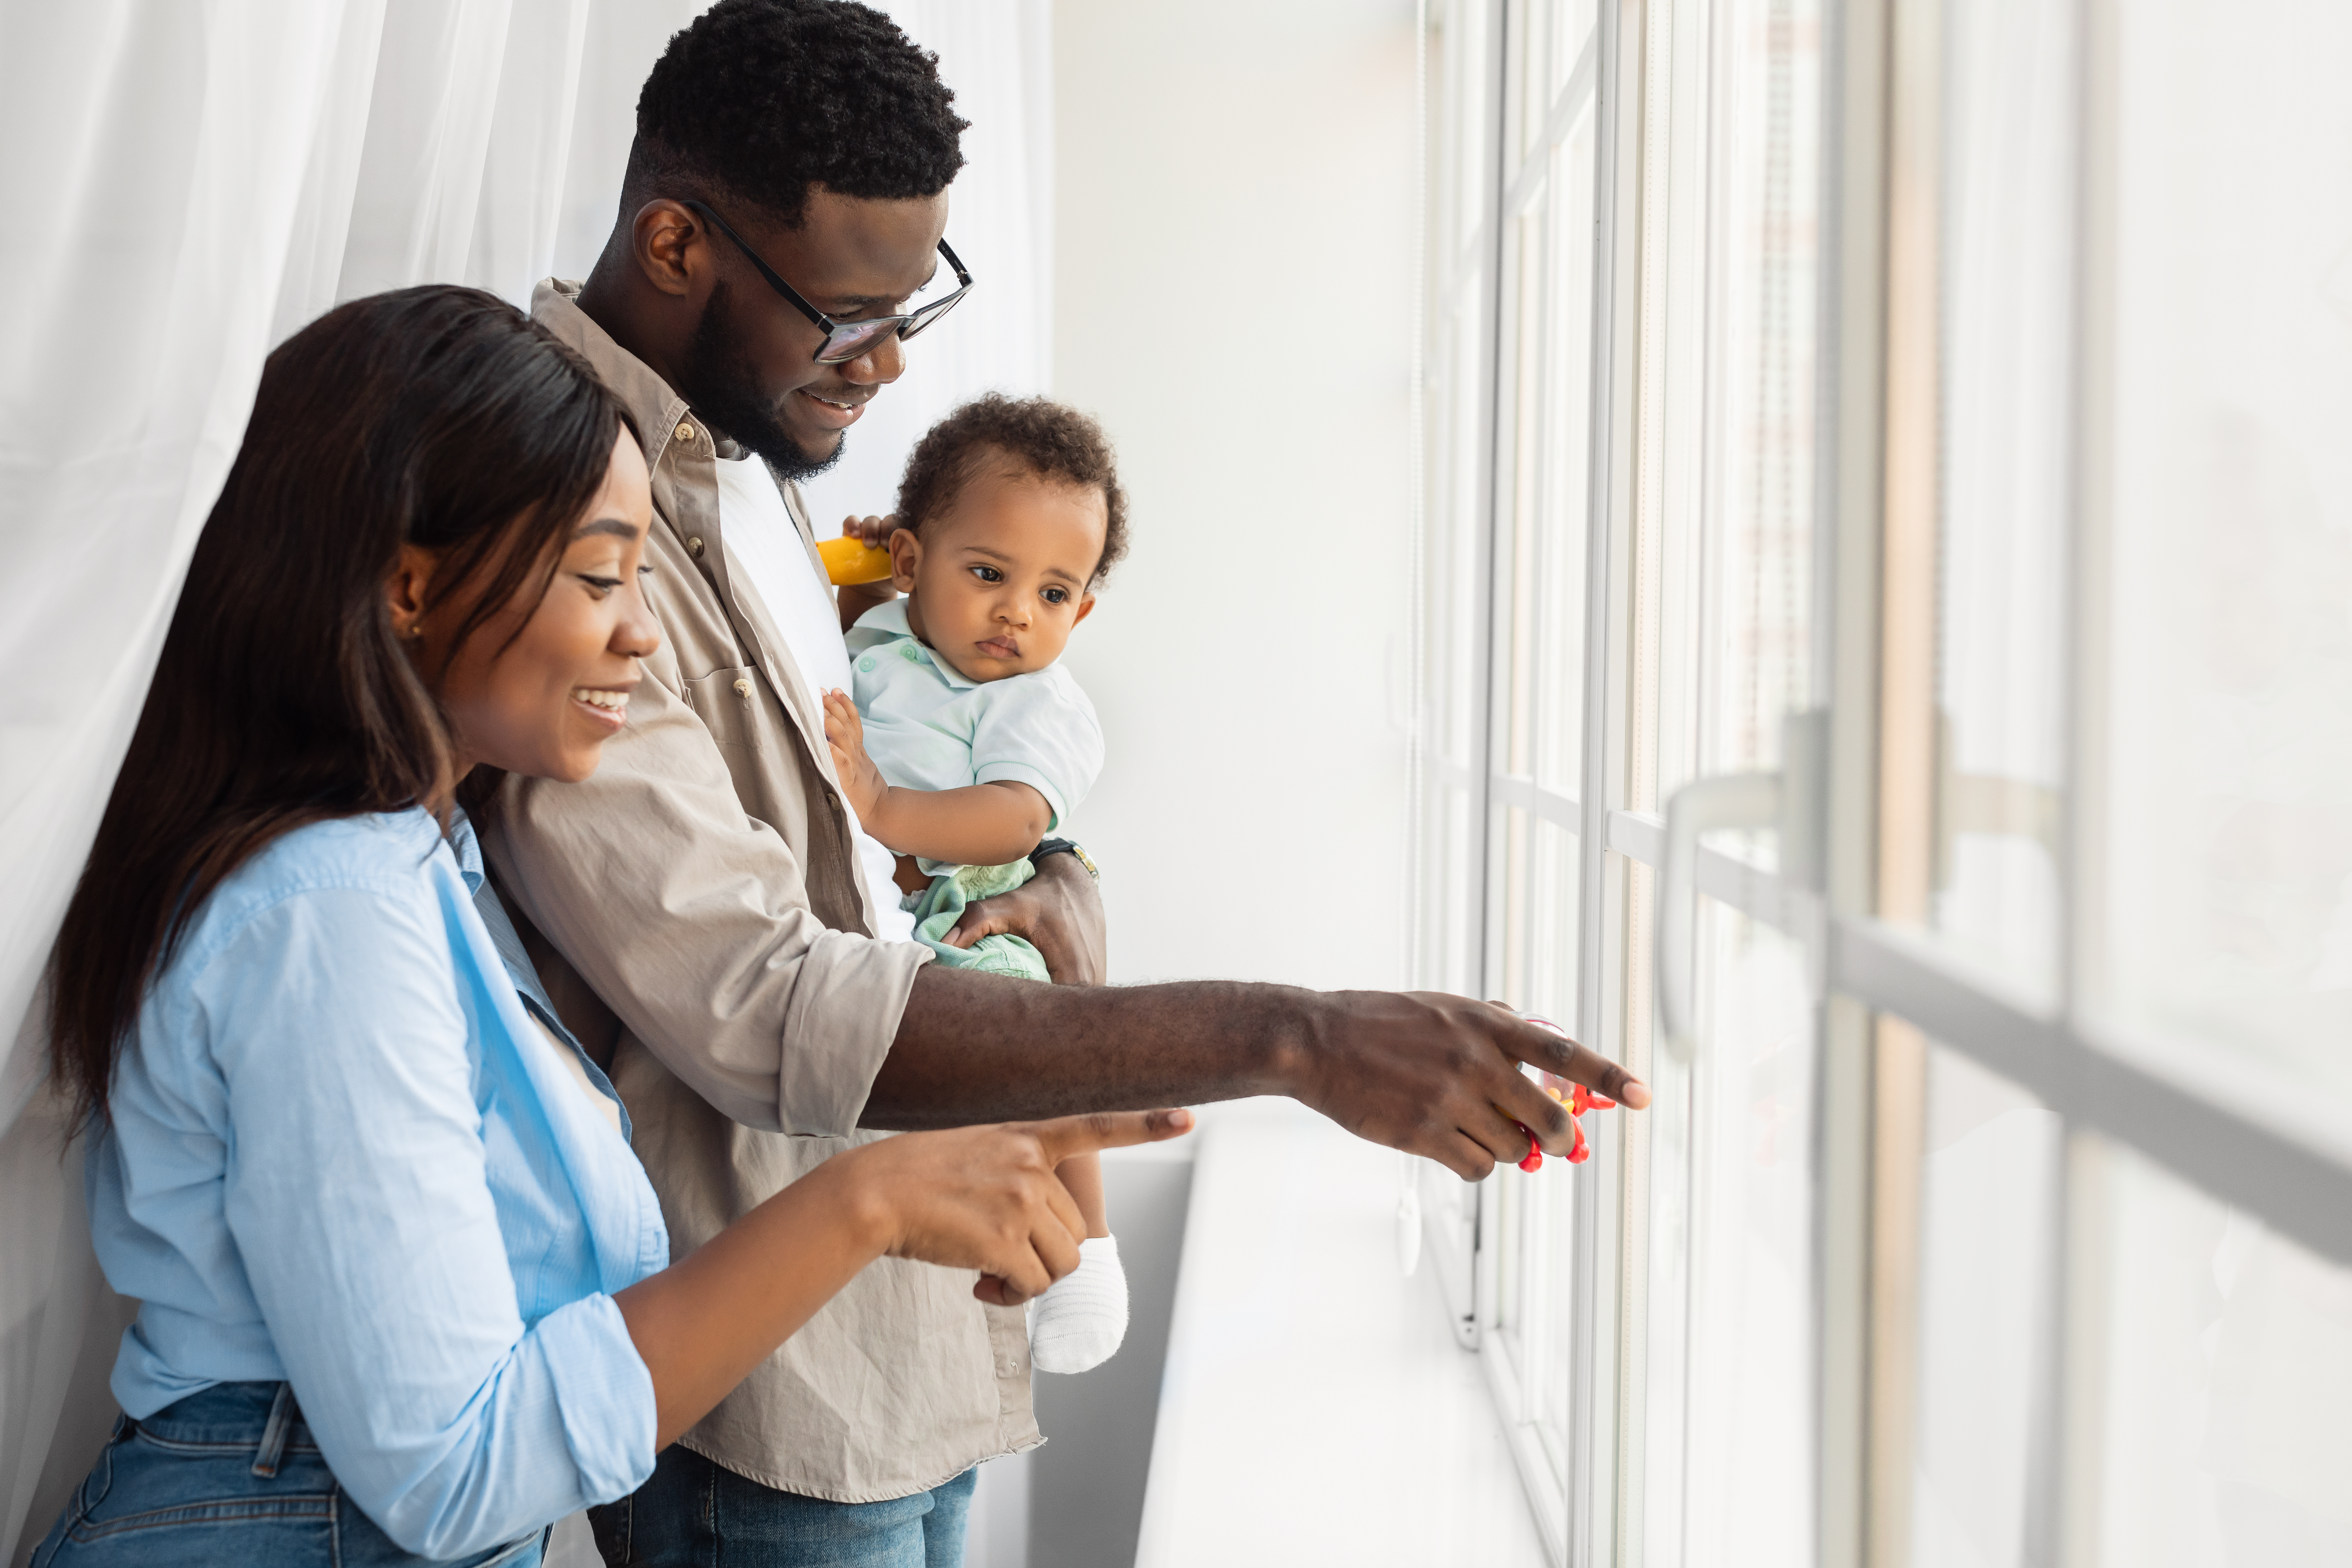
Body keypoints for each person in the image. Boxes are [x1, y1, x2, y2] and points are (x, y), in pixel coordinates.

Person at [486, 3, 1648, 1562]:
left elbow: (883, 851)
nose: (892, 363)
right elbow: (761, 998)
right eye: (848, 314)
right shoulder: (554, 499)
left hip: (908, 1345)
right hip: (769, 1402)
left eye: (919, 304)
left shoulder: (754, 472)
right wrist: (1293, 1036)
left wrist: (1053, 883)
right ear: (680, 246)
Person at [29, 285, 1184, 1568]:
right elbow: (454, 1472)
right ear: (410, 588)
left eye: (643, 573)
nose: (642, 633)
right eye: (599, 576)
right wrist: (867, 1202)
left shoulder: (423, 865)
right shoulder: (330, 920)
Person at [823, 394, 1132, 1376]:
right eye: (988, 574)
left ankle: (1090, 1245)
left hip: (983, 898)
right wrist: (864, 575)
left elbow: (1016, 819)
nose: (1015, 614)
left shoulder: (1035, 698)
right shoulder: (893, 631)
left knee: (1042, 1041)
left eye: (1052, 595)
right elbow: (839, 643)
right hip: (895, 911)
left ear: (1080, 612)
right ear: (913, 565)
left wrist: (880, 805)